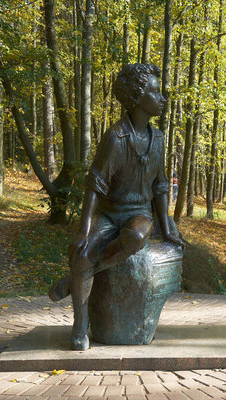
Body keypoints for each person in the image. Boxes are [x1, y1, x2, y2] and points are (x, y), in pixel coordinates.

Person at [48, 64, 185, 351]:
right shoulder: (115, 137)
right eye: (154, 91)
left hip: (139, 215)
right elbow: (95, 184)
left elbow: (160, 187)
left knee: (135, 238)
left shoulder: (158, 139)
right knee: (83, 253)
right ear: (136, 97)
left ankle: (74, 282)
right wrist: (83, 229)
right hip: (110, 214)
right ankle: (80, 323)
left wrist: (168, 226)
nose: (162, 98)